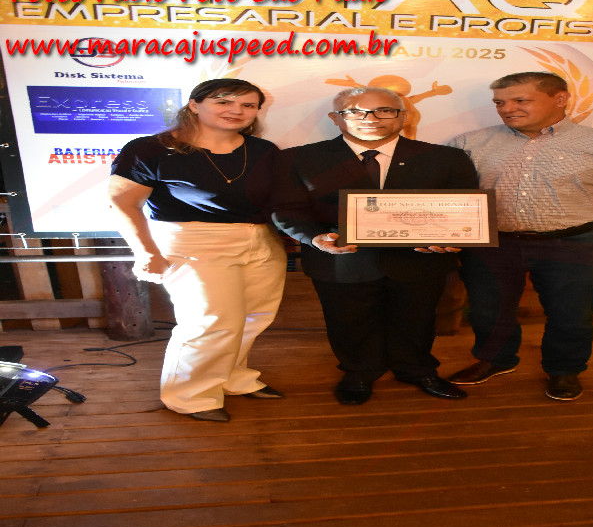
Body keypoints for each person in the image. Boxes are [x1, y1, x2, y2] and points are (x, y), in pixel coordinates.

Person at [446, 72, 593, 401]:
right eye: (499, 102)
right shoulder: (468, 143)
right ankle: (496, 359)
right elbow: (445, 194)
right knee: (488, 309)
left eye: (521, 100)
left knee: (571, 312)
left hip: (573, 244)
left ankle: (564, 370)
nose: (507, 109)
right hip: (493, 243)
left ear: (560, 99)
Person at [272, 87, 478, 405]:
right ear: (335, 118)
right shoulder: (298, 158)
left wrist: (451, 237)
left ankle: (417, 369)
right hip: (341, 259)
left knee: (418, 320)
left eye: (385, 110)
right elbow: (287, 209)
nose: (370, 118)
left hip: (420, 259)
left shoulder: (446, 157)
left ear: (403, 116)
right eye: (355, 111)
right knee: (348, 321)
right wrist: (313, 238)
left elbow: (462, 208)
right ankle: (358, 372)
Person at [108, 79, 288, 422]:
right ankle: (190, 395)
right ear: (194, 104)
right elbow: (122, 203)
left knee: (255, 317)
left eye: (248, 105)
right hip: (192, 242)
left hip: (261, 240)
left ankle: (232, 378)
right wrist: (146, 252)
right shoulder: (150, 149)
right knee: (210, 322)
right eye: (224, 102)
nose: (236, 111)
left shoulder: (264, 150)